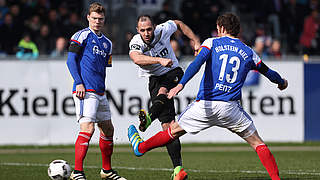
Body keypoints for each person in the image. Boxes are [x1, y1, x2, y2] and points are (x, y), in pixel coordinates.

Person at [128, 13, 288, 180]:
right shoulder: (248, 52)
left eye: (218, 28)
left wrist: (180, 85)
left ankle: (141, 147)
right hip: (230, 108)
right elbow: (268, 72)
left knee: (172, 131)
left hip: (205, 106)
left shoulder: (211, 43)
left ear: (222, 28)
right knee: (258, 143)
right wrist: (281, 82)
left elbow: (196, 65)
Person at [128, 15, 200, 180]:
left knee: (163, 92)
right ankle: (178, 170)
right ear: (138, 31)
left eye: (149, 29)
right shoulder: (136, 41)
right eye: (143, 30)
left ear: (154, 27)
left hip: (173, 72)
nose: (146, 33)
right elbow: (136, 58)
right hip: (154, 79)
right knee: (168, 127)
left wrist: (195, 40)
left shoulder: (163, 29)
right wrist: (159, 60)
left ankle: (148, 118)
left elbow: (179, 24)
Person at [66, 3, 126, 180]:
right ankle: (77, 172)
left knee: (108, 129)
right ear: (88, 18)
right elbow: (71, 60)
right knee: (88, 128)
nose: (97, 21)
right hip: (85, 90)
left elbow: (104, 67)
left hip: (100, 92)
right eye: (94, 18)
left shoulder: (107, 43)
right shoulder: (81, 35)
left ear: (104, 20)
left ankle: (106, 171)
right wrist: (78, 82)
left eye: (100, 19)